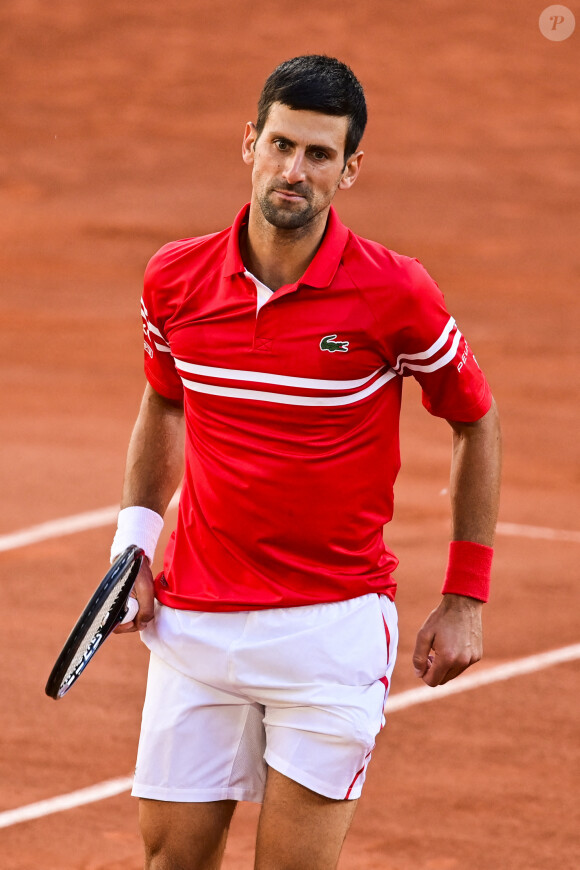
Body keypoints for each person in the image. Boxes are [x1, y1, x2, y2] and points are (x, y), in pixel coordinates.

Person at [111, 55, 502, 870]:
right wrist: (133, 551)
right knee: (168, 863)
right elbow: (165, 400)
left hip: (329, 634)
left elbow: (475, 417)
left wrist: (465, 595)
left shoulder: (397, 295)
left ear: (350, 170)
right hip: (195, 624)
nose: (294, 172)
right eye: (282, 145)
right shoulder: (174, 280)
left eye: (319, 155)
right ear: (249, 142)